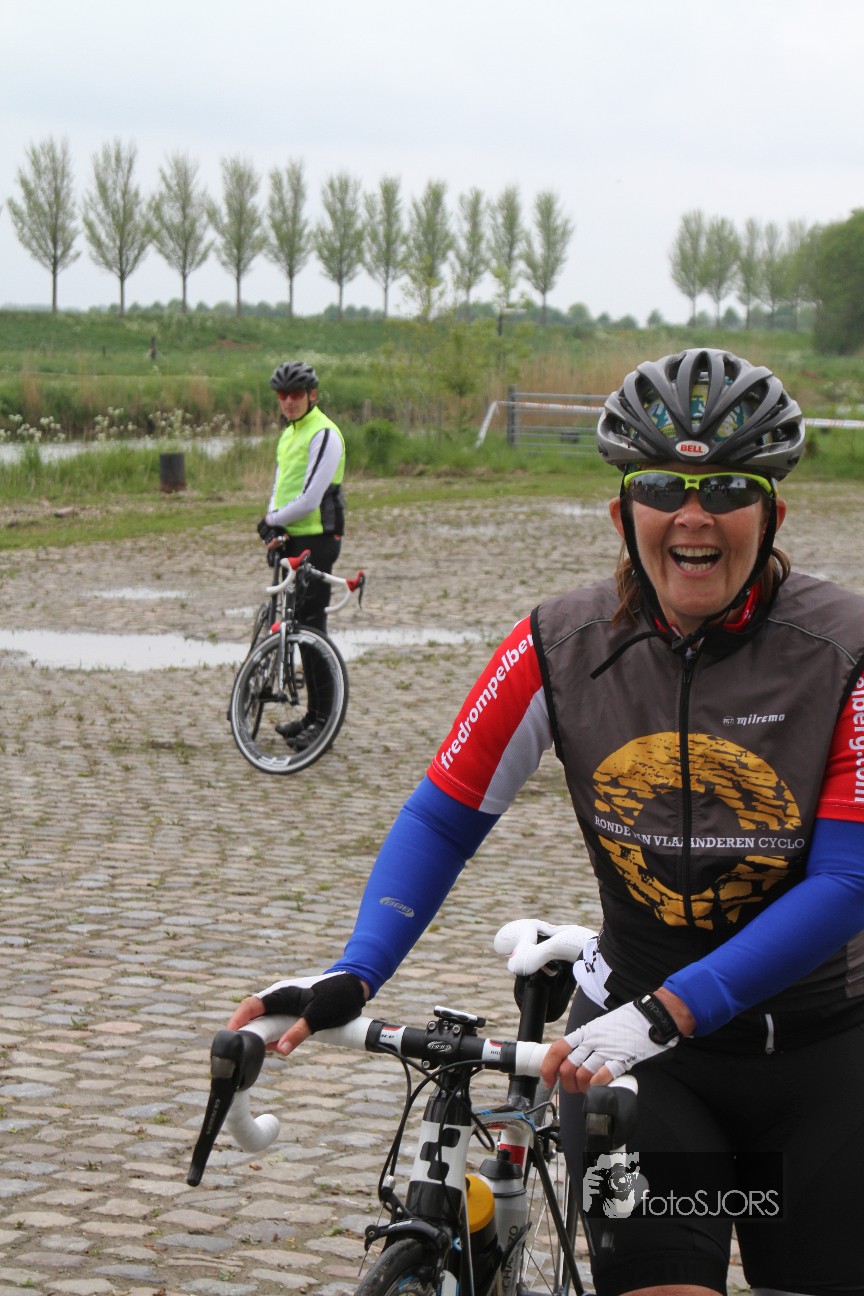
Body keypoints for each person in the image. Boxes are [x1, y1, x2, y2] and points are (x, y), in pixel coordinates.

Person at [230, 348, 864, 1296]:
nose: (693, 515)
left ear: (772, 515)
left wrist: (673, 1010)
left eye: (728, 489)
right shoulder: (558, 645)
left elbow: (849, 879)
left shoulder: (845, 649)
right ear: (623, 513)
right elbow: (443, 817)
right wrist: (355, 970)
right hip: (642, 1073)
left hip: (821, 1062)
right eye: (664, 487)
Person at [257, 360, 346, 751]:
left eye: (296, 394)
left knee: (312, 630)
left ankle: (324, 723)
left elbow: (310, 497)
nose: (288, 401)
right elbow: (280, 487)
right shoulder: (288, 434)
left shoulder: (324, 433)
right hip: (293, 539)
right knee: (297, 628)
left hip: (318, 539)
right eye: (282, 395)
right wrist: (273, 524)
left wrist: (271, 519)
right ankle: (312, 716)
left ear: (312, 395)